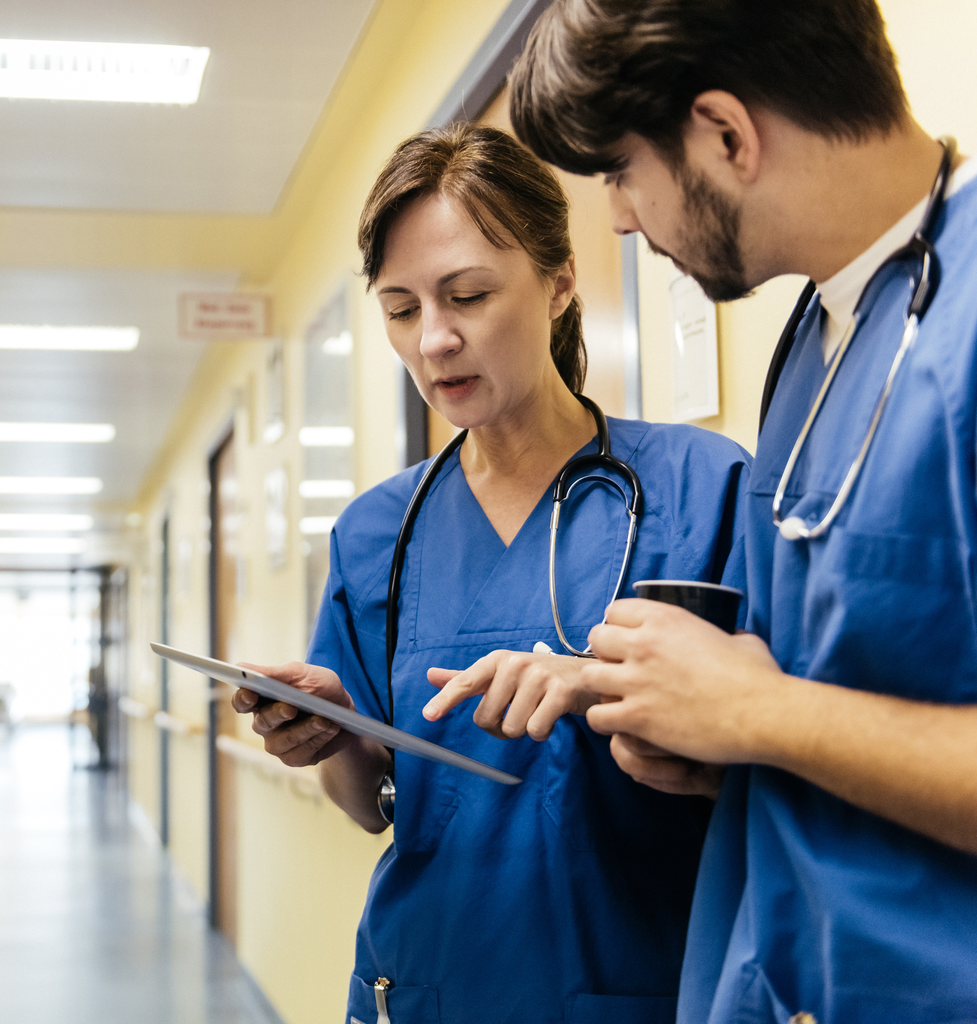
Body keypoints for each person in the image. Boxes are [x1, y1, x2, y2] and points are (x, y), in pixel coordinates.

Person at [508, 2, 977, 1021]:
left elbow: (791, 705)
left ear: (726, 134)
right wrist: (708, 732)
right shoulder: (816, 337)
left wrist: (759, 712)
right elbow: (848, 702)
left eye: (622, 171)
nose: (623, 217)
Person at [230, 122, 752, 1023]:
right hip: (422, 987)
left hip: (640, 986)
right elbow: (374, 807)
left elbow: (772, 754)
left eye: (466, 295)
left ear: (558, 285)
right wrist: (338, 736)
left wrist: (600, 688)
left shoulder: (703, 489)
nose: (434, 339)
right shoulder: (376, 533)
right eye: (400, 309)